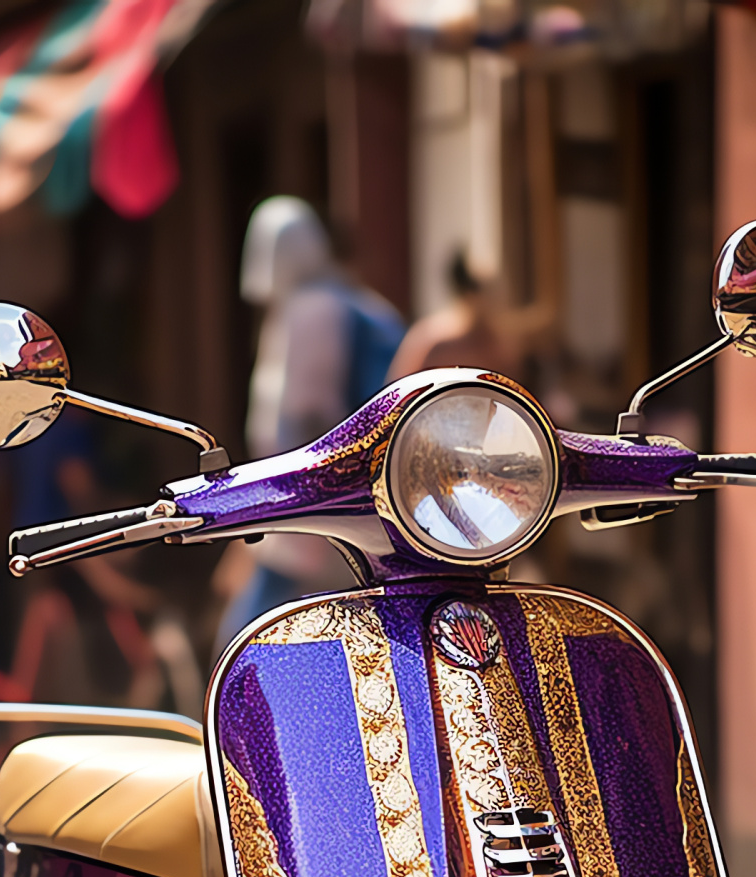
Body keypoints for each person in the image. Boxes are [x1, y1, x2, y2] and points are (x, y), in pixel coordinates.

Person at [216, 197, 405, 650]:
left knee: (249, 637)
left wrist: (297, 501)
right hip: (348, 495)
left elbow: (307, 412)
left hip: (311, 496)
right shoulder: (348, 301)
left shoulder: (312, 310)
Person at [389, 248, 542, 383]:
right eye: (491, 291)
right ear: (470, 294)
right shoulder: (434, 341)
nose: (498, 299)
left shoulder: (503, 345)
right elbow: (399, 396)